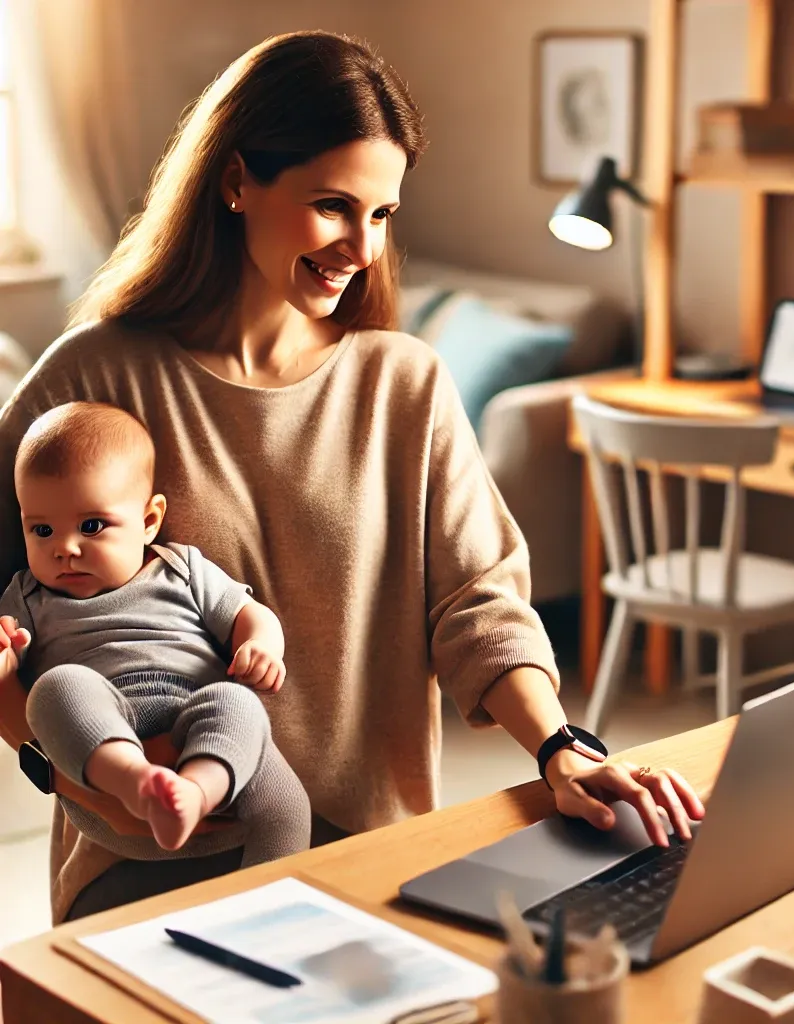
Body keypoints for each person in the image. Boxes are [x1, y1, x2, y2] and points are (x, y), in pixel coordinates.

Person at [0, 30, 704, 926]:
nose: (361, 247)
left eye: (382, 214)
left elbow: (478, 604)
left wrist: (562, 746)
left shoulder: (402, 383)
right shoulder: (91, 379)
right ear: (236, 181)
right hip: (147, 859)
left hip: (373, 856)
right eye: (334, 205)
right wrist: (63, 767)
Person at [0, 401, 311, 865]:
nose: (64, 548)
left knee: (244, 716)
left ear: (149, 521)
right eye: (42, 530)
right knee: (55, 689)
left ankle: (198, 802)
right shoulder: (26, 597)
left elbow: (250, 613)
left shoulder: (180, 569)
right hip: (108, 762)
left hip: (199, 718)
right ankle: (138, 782)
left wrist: (261, 645)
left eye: (91, 526)